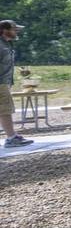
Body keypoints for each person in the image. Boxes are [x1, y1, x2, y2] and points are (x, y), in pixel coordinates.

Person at [1, 20, 33, 148]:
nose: (16, 31)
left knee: (4, 110)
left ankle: (12, 136)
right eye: (14, 29)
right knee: (5, 110)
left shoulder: (7, 44)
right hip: (0, 83)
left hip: (4, 82)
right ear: (5, 30)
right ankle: (11, 138)